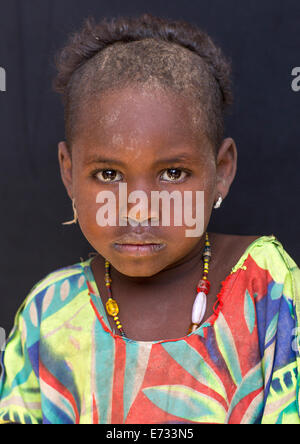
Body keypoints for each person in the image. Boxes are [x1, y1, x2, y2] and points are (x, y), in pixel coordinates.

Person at [0, 12, 299, 425]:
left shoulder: (266, 288)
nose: (139, 208)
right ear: (69, 173)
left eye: (173, 173)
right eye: (108, 175)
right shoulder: (49, 314)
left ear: (222, 171)